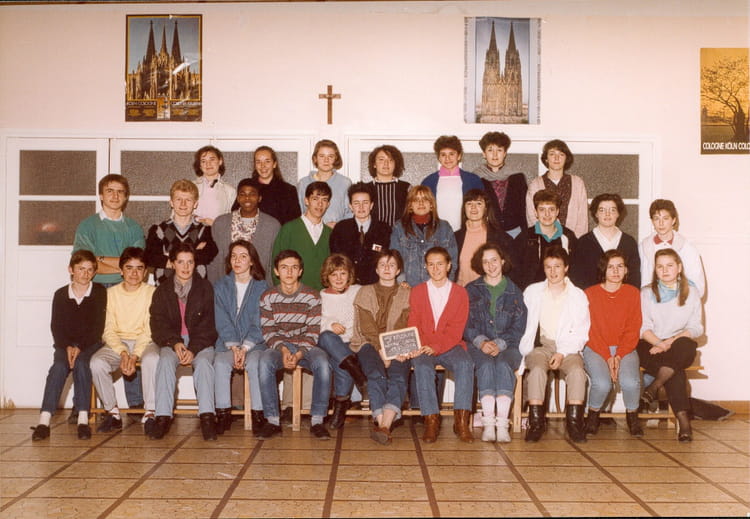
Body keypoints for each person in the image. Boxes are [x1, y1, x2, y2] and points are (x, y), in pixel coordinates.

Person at [73, 174, 145, 412]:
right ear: (101, 195)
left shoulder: (133, 227)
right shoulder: (88, 226)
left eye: (120, 191)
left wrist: (101, 259)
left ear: (126, 197)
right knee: (91, 346)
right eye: (109, 191)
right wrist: (121, 264)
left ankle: (136, 403)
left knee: (130, 340)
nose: (115, 196)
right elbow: (85, 263)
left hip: (127, 290)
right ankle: (81, 405)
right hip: (96, 291)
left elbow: (136, 263)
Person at [31, 250, 106, 441]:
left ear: (94, 272)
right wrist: (67, 347)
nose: (85, 274)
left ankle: (82, 419)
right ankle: (44, 421)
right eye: (81, 269)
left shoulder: (99, 292)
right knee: (58, 366)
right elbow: (56, 326)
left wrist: (80, 347)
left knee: (82, 364)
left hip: (90, 343)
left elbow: (98, 327)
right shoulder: (60, 294)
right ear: (71, 270)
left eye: (90, 270)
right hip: (65, 344)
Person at [256, 250, 331, 440]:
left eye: (294, 268)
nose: (289, 272)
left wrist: (298, 354)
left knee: (323, 362)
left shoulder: (312, 296)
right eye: (284, 268)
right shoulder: (268, 296)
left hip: (305, 346)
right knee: (264, 361)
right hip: (279, 346)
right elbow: (268, 331)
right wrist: (283, 350)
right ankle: (273, 421)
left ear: (300, 271)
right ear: (276, 271)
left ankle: (317, 421)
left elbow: (313, 332)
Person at [519, 247, 590, 443]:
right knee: (537, 372)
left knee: (577, 373)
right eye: (548, 267)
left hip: (568, 347)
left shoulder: (578, 295)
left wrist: (562, 353)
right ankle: (536, 423)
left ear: (566, 268)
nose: (553, 271)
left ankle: (574, 424)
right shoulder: (532, 292)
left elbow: (581, 332)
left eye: (557, 266)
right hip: (541, 345)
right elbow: (523, 323)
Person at [149, 243, 218, 440]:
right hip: (173, 342)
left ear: (195, 264)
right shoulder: (162, 291)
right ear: (172, 264)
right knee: (165, 361)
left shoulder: (205, 288)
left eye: (190, 262)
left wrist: (193, 348)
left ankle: (207, 417)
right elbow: (158, 323)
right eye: (180, 262)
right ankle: (162, 417)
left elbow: (210, 325)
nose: (186, 267)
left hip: (200, 342)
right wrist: (175, 343)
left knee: (203, 364)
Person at [90, 247, 160, 435]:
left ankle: (151, 412)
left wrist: (134, 354)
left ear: (145, 272)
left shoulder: (152, 293)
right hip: (117, 342)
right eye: (129, 268)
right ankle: (112, 413)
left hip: (145, 342)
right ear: (121, 270)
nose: (134, 273)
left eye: (139, 268)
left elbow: (149, 329)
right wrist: (123, 352)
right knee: (96, 363)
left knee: (152, 359)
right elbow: (108, 329)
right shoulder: (110, 294)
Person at [408, 247, 474, 443]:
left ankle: (461, 421)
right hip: (423, 345)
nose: (435, 268)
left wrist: (436, 347)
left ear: (449, 265)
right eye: (431, 264)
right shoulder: (417, 291)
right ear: (426, 267)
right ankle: (431, 421)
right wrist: (422, 345)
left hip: (450, 345)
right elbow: (413, 323)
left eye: (440, 264)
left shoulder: (460, 293)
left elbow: (456, 329)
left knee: (465, 364)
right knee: (422, 366)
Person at [637, 248, 703, 442]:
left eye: (669, 265)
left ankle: (654, 386)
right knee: (675, 369)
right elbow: (643, 328)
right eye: (660, 266)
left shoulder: (691, 292)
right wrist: (659, 343)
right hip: (650, 344)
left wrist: (669, 342)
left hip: (677, 344)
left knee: (686, 345)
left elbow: (696, 327)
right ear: (655, 270)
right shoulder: (646, 293)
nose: (665, 270)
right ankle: (684, 422)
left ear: (679, 267)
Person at [464, 243, 527, 442]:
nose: (490, 265)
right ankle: (489, 423)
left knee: (502, 364)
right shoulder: (471, 290)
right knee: (485, 365)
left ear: (502, 261)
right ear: (480, 265)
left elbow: (519, 327)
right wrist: (482, 342)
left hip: (509, 345)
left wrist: (500, 343)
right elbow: (465, 323)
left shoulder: (515, 292)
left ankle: (502, 424)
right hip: (477, 345)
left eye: (494, 260)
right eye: (485, 262)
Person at [350, 250, 411, 445]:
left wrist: (392, 350)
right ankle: (383, 422)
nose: (387, 268)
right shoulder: (365, 292)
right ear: (376, 269)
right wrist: (381, 350)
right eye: (382, 264)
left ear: (398, 270)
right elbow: (367, 327)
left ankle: (384, 426)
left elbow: (403, 324)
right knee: (375, 373)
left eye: (392, 265)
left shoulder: (407, 293)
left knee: (399, 375)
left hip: (397, 343)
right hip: (368, 343)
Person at [583, 250, 643, 438]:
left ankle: (632, 417)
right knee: (602, 384)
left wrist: (618, 355)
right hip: (596, 347)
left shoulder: (633, 293)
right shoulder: (590, 293)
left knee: (631, 382)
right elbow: (591, 331)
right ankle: (592, 416)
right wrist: (608, 357)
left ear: (626, 270)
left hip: (624, 348)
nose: (616, 271)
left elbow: (633, 328)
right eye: (611, 267)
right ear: (603, 270)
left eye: (620, 266)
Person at [213, 240, 269, 435]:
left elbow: (260, 321)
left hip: (255, 344)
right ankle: (223, 414)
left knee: (255, 364)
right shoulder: (220, 286)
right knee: (220, 363)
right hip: (228, 344)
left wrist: (245, 347)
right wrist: (235, 347)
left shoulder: (262, 287)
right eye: (234, 256)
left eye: (243, 256)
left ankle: (258, 414)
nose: (237, 260)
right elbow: (221, 319)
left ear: (252, 261)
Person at [315, 254, 367, 430]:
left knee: (343, 362)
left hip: (351, 343)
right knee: (326, 336)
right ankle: (358, 375)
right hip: (331, 342)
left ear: (349, 275)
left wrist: (403, 286)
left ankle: (340, 407)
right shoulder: (321, 296)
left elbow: (380, 291)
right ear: (327, 276)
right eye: (334, 274)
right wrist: (330, 324)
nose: (338, 278)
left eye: (343, 273)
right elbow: (316, 321)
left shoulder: (358, 290)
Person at [145, 179, 218, 285]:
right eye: (178, 199)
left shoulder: (205, 230)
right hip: (165, 286)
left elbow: (209, 253)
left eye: (188, 200)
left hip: (196, 287)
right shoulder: (158, 229)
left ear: (195, 204)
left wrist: (169, 257)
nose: (183, 204)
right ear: (171, 203)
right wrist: (193, 254)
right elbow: (150, 257)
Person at [208, 179, 280, 283]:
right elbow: (214, 261)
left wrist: (269, 289)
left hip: (259, 287)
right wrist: (215, 287)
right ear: (237, 198)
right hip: (226, 286)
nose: (247, 198)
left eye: (252, 194)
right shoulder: (220, 223)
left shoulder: (272, 226)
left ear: (259, 198)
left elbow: (273, 263)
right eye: (242, 194)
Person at [391, 185, 458, 287]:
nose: (421, 203)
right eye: (416, 200)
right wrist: (402, 280)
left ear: (431, 204)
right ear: (410, 205)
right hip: (408, 287)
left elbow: (452, 260)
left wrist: (446, 284)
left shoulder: (444, 227)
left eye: (425, 199)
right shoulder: (399, 227)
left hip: (438, 286)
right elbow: (394, 258)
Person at [570, 193, 640, 289]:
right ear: (596, 214)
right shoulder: (583, 242)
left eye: (612, 210)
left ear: (618, 213)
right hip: (590, 296)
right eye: (602, 210)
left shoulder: (629, 242)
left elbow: (634, 278)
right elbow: (577, 277)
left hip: (622, 296)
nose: (607, 214)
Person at [639, 199, 705, 299]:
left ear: (673, 220)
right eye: (656, 219)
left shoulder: (687, 248)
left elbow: (697, 284)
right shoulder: (644, 247)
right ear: (652, 221)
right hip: (652, 301)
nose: (661, 223)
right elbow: (643, 280)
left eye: (665, 218)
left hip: (680, 301)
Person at [512, 189, 577, 290]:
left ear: (557, 212)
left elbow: (575, 270)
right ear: (535, 212)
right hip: (533, 292)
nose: (547, 214)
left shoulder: (568, 236)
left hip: (561, 291)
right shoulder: (525, 237)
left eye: (551, 209)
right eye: (542, 210)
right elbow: (515, 271)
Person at [272, 181, 332, 290]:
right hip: (293, 294)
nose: (320, 204)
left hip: (322, 295)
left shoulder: (330, 233)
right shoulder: (289, 229)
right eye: (315, 199)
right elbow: (275, 263)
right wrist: (282, 293)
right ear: (306, 201)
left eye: (324, 200)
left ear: (328, 204)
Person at [329, 182, 391, 285]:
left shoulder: (383, 229)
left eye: (365, 203)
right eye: (356, 203)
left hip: (375, 285)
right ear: (350, 206)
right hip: (347, 284)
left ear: (371, 205)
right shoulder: (341, 228)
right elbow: (335, 259)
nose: (361, 207)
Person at [525, 139, 588, 238]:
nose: (557, 158)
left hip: (572, 240)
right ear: (546, 159)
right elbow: (531, 216)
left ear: (566, 158)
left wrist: (574, 240)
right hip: (545, 240)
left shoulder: (577, 183)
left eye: (561, 154)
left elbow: (582, 217)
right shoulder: (535, 184)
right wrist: (545, 239)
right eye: (552, 154)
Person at [421, 135, 484, 231]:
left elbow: (482, 208)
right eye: (443, 155)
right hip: (437, 233)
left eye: (451, 154)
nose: (447, 158)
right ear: (438, 157)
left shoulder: (473, 180)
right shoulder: (428, 182)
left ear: (459, 156)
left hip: (465, 232)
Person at [474, 131, 528, 238]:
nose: (495, 155)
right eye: (490, 150)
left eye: (499, 150)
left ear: (505, 153)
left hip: (515, 232)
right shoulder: (476, 178)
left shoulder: (518, 177)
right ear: (484, 154)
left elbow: (524, 208)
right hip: (487, 232)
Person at [454, 189, 513, 286]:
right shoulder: (455, 237)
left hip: (488, 291)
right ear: (464, 208)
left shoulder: (500, 237)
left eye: (479, 203)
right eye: (469, 203)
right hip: (461, 291)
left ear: (486, 208)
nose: (473, 207)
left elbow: (508, 269)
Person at [235, 145, 301, 226]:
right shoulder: (247, 188)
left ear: (274, 164)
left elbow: (294, 223)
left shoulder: (288, 190)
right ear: (255, 165)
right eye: (258, 162)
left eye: (267, 161)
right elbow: (235, 215)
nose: (263, 166)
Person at [297, 139, 352, 227]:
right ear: (315, 158)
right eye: (322, 156)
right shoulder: (303, 183)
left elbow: (351, 212)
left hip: (336, 232)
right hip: (309, 231)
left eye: (330, 156)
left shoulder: (345, 183)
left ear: (336, 159)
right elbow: (299, 211)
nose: (326, 160)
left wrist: (339, 225)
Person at [365, 144, 410, 227]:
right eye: (381, 159)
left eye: (391, 160)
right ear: (374, 164)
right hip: (372, 234)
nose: (386, 163)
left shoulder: (406, 188)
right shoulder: (365, 189)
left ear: (396, 164)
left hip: (400, 234)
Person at [192, 145, 236, 226]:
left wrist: (215, 224)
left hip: (219, 231)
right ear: (200, 165)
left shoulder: (230, 191)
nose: (208, 164)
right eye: (203, 161)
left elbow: (233, 219)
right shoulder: (190, 187)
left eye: (212, 159)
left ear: (220, 161)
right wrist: (196, 219)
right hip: (194, 231)